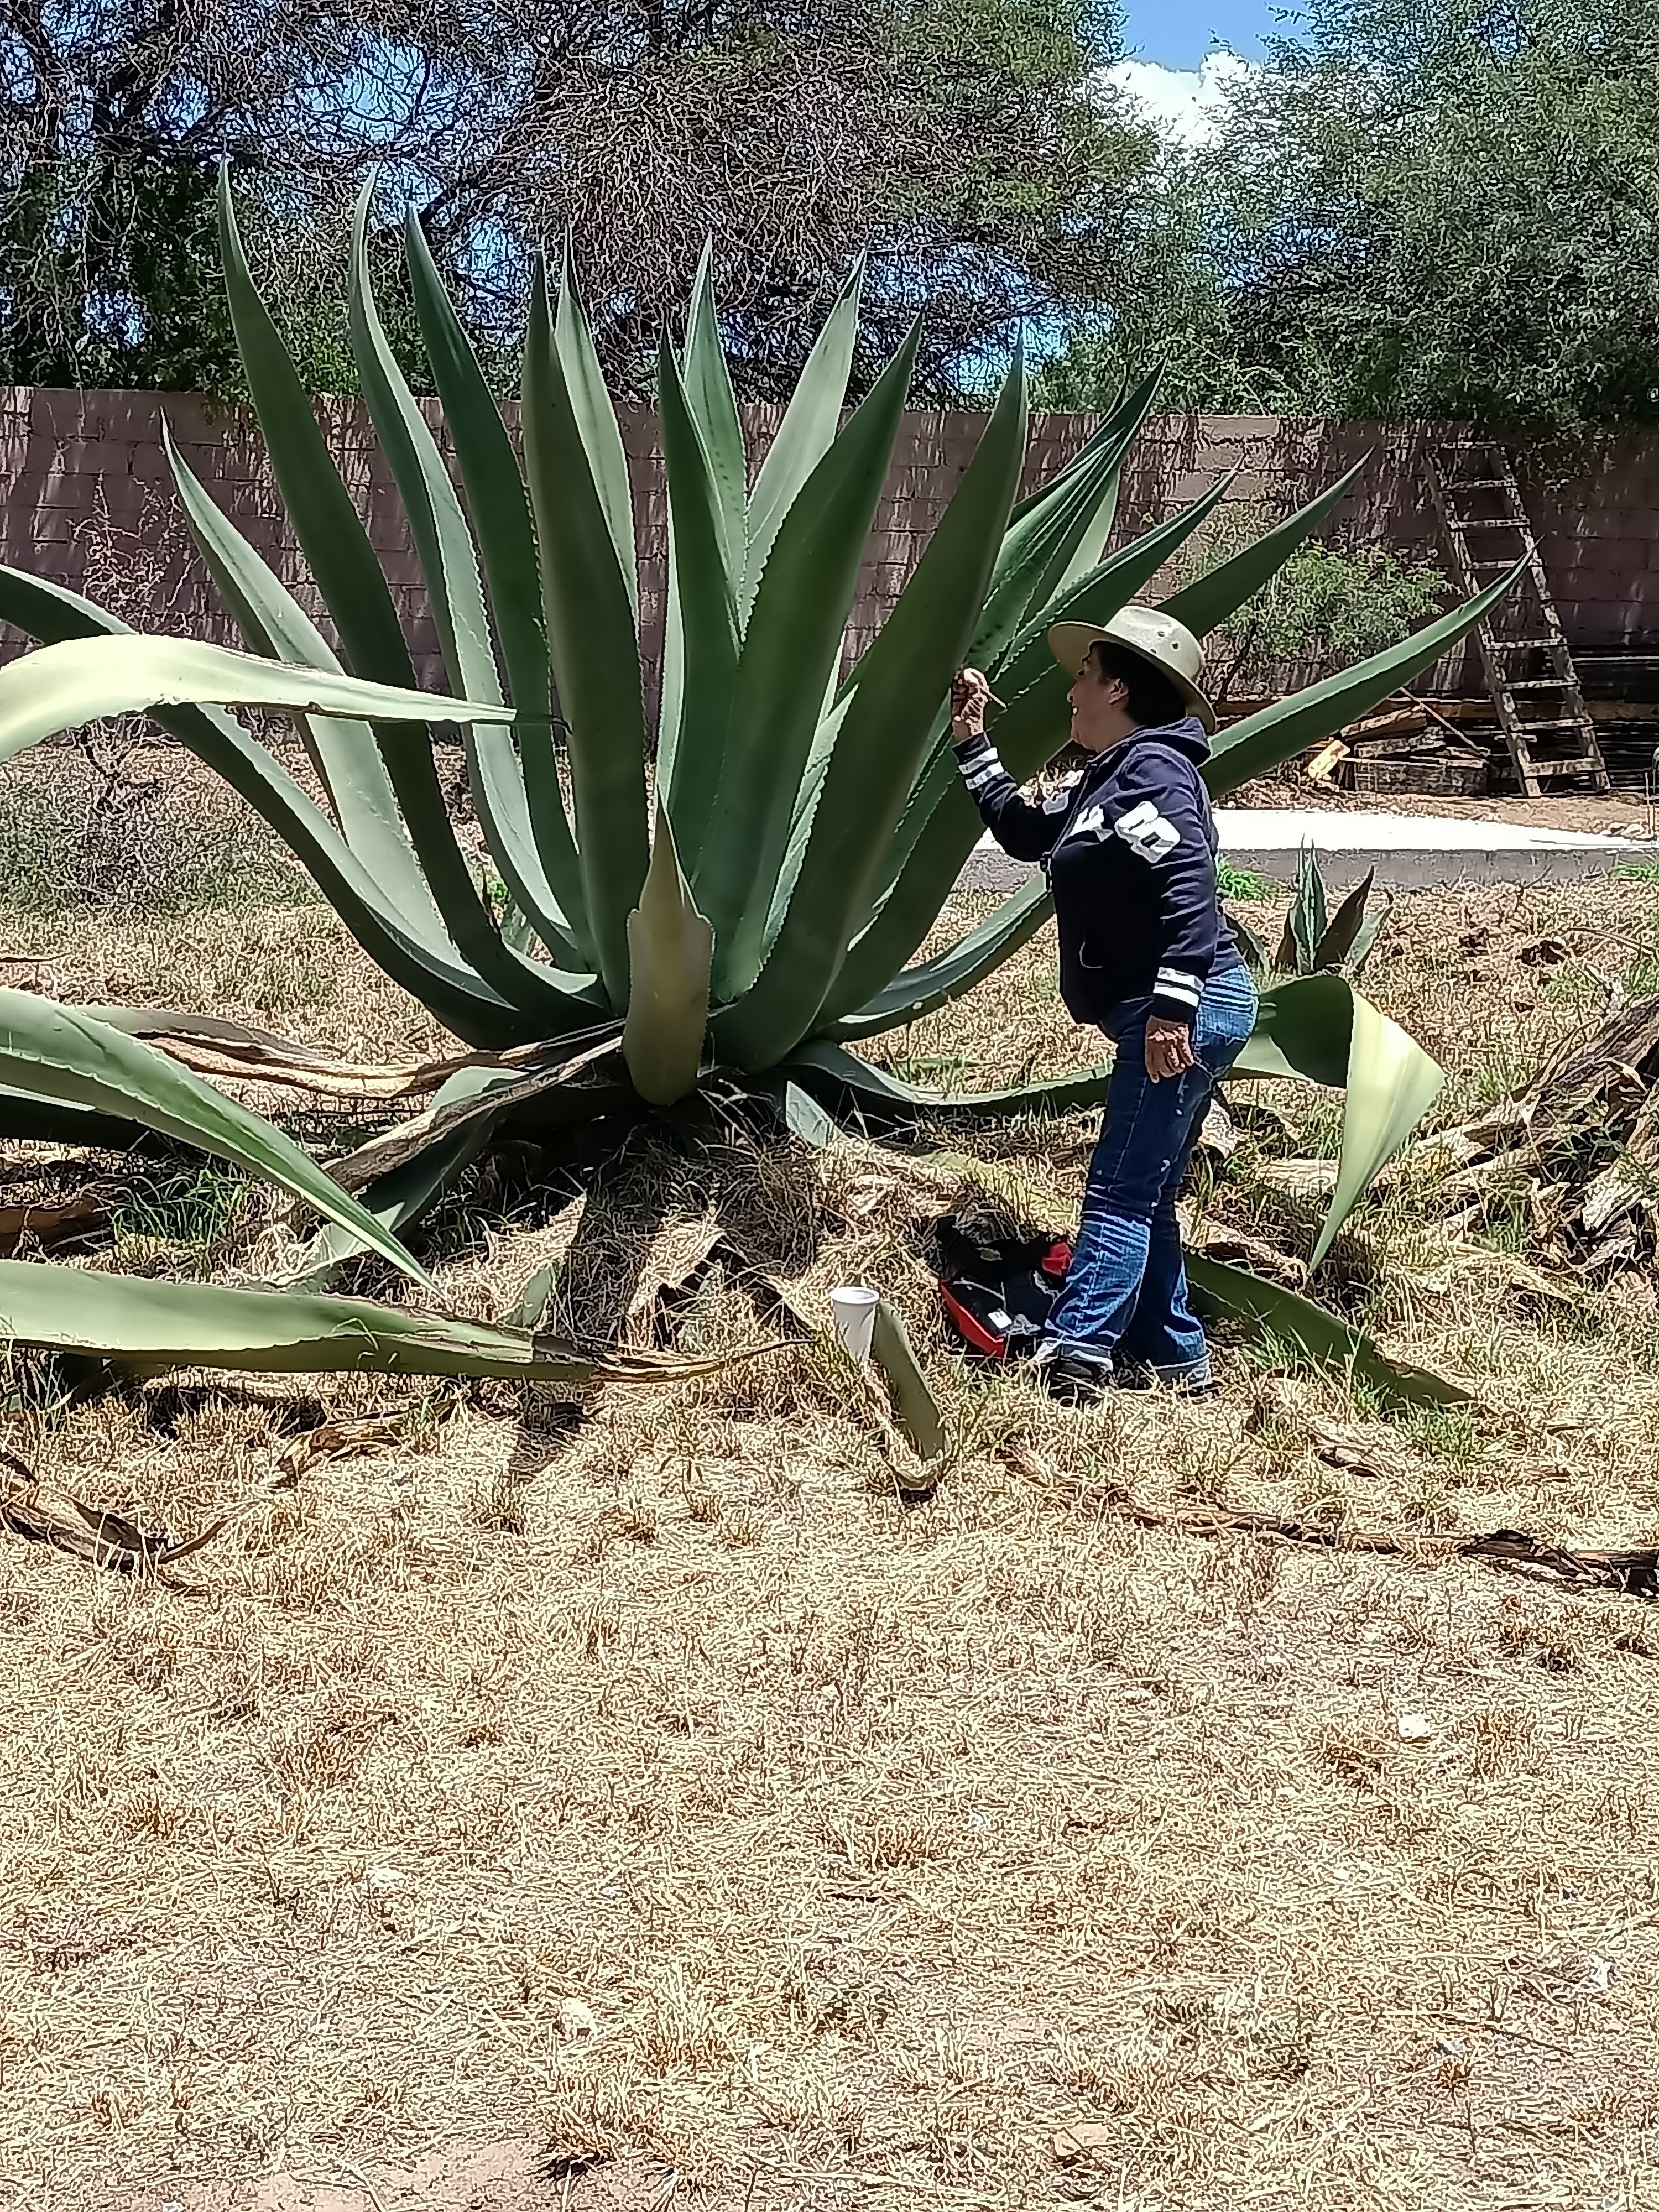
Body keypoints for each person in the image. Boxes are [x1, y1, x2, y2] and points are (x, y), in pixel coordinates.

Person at [950, 607, 1257, 1403]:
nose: (1071, 695)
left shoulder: (1154, 773)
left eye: (1082, 677)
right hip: (1176, 1005)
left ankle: (1076, 1357)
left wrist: (1171, 1010)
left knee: (1119, 1187)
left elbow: (1191, 884)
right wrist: (971, 740)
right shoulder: (1107, 781)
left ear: (1117, 687)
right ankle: (1179, 1362)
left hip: (1187, 1007)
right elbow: (1025, 831)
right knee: (1146, 1189)